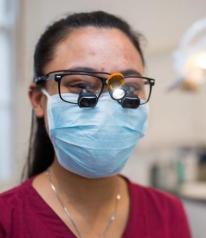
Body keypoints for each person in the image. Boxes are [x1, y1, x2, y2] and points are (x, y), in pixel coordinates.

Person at [0, 11, 191, 238]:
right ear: (38, 99)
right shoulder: (8, 220)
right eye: (80, 85)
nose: (108, 107)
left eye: (128, 88)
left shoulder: (167, 213)